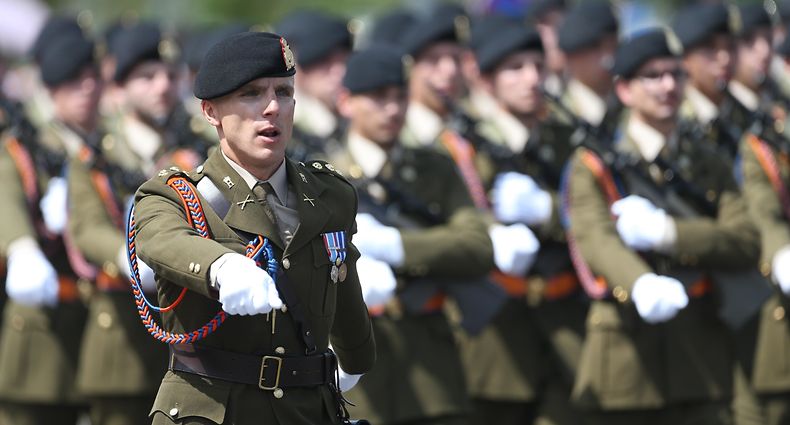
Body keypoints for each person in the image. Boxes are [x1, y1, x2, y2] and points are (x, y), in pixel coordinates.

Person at [133, 31, 375, 425]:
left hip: (307, 409)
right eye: (251, 94)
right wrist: (221, 267)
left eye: (283, 92)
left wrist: (356, 359)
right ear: (211, 112)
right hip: (213, 411)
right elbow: (162, 239)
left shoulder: (330, 194)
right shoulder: (175, 196)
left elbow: (343, 295)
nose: (272, 108)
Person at [566, 28, 759, 425]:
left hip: (701, 353)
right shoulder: (595, 163)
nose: (667, 86)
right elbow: (595, 238)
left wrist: (668, 233)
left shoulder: (709, 162)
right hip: (627, 357)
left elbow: (744, 239)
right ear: (624, 90)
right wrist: (640, 282)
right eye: (652, 76)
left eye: (675, 74)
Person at [330, 45, 496, 425]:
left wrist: (398, 247)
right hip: (359, 365)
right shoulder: (324, 175)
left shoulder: (434, 169)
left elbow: (476, 245)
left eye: (399, 97)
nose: (392, 110)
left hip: (431, 366)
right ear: (346, 101)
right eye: (378, 98)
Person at [463, 23, 587, 425]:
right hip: (499, 328)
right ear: (486, 80)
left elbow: (593, 208)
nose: (531, 78)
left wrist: (546, 209)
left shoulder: (567, 136)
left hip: (566, 314)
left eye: (537, 65)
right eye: (515, 68)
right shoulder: (466, 146)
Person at [0, 17, 97, 425]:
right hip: (42, 328)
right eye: (72, 80)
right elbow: (7, 196)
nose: (87, 90)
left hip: (102, 330)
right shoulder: (25, 144)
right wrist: (22, 247)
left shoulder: (103, 144)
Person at [277, 11, 353, 162]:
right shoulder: (283, 129)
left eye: (344, 61)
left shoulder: (346, 121)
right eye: (325, 62)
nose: (341, 72)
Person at [556, 1, 620, 141]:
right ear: (570, 58)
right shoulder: (557, 118)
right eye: (595, 48)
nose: (608, 58)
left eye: (613, 45)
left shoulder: (627, 106)